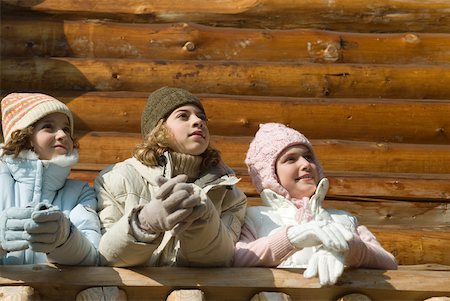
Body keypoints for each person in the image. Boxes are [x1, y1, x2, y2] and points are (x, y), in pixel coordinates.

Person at [95, 86, 247, 267]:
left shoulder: (228, 191)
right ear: (159, 128)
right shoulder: (117, 178)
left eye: (201, 117)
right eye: (183, 116)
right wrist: (144, 223)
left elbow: (222, 259)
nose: (198, 121)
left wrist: (202, 222)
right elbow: (107, 257)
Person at [233, 123, 397, 285]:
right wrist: (291, 238)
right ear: (270, 175)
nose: (305, 164)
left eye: (309, 157)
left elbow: (389, 262)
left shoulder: (344, 219)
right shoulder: (253, 218)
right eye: (290, 159)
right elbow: (236, 258)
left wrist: (349, 248)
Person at [0, 93, 101, 265]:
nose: (62, 134)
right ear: (25, 136)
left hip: (56, 290)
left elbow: (92, 256)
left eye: (67, 129)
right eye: (48, 127)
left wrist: (65, 237)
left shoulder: (80, 193)